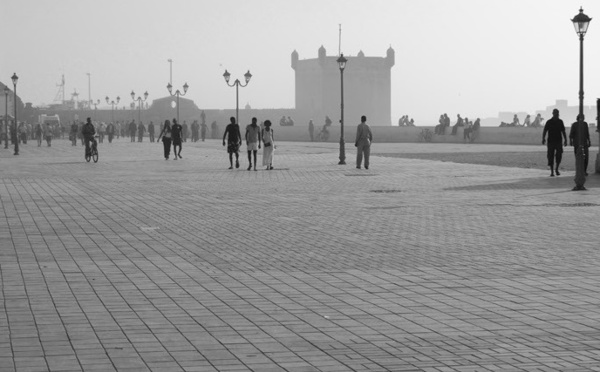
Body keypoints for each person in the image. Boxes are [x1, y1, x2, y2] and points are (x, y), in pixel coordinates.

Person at [542, 108, 567, 177]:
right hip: (551, 141)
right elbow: (545, 131)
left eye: (557, 113)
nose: (556, 115)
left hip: (558, 141)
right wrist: (543, 138)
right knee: (550, 156)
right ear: (553, 114)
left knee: (559, 156)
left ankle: (556, 168)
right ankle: (552, 171)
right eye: (555, 113)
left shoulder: (560, 122)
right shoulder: (549, 122)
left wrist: (565, 140)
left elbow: (563, 131)